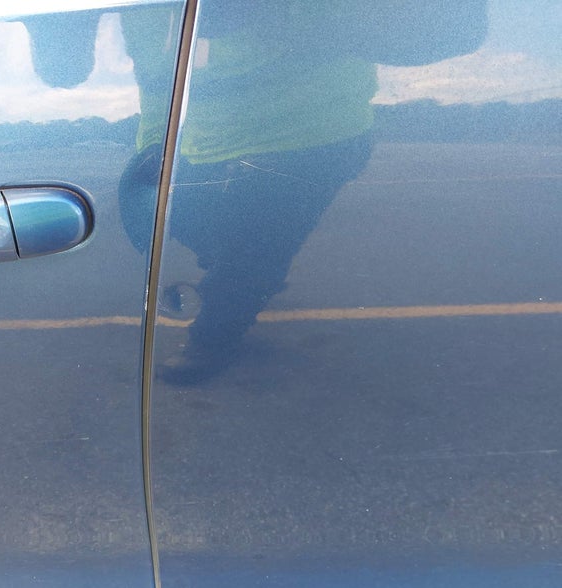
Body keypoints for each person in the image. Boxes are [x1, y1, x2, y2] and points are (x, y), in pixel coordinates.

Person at [119, 0, 488, 383]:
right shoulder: (141, 11)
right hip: (201, 145)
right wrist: (153, 145)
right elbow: (154, 81)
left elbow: (454, 30)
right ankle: (247, 273)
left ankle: (213, 339)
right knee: (169, 222)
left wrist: (272, 13)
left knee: (250, 253)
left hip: (308, 138)